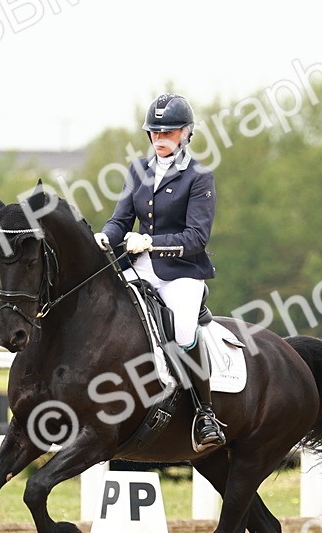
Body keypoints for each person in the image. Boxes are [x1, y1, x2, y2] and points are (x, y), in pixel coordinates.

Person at [95, 92, 225, 451]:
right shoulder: (138, 169)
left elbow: (197, 237)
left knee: (183, 331)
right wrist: (105, 237)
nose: (160, 139)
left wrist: (152, 243)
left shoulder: (199, 177)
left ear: (186, 134)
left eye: (169, 133)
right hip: (137, 267)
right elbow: (121, 219)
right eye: (155, 132)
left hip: (181, 272)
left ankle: (205, 413)